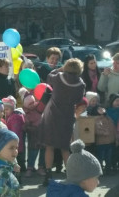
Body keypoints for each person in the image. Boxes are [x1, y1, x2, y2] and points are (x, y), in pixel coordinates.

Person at [39, 58, 85, 186]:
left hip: (52, 114)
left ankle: (48, 175)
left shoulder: (59, 76)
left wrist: (59, 69)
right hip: (67, 115)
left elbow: (49, 77)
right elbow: (79, 99)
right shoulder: (81, 84)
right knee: (65, 147)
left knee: (49, 146)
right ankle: (70, 175)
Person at [19, 87, 46, 177]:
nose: (32, 105)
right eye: (29, 104)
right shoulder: (26, 113)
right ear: (25, 105)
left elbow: (43, 103)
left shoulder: (38, 107)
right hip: (33, 136)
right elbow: (25, 124)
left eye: (32, 102)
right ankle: (30, 168)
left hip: (42, 133)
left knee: (43, 151)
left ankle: (41, 167)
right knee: (33, 152)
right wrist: (28, 127)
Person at [2, 95, 25, 172]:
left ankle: (21, 169)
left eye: (7, 109)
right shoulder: (9, 116)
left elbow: (15, 131)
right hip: (13, 141)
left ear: (13, 108)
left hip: (16, 141)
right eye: (3, 110)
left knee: (18, 156)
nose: (5, 111)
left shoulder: (15, 118)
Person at [94, 105, 116, 175]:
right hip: (101, 142)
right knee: (101, 157)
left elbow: (113, 128)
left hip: (109, 142)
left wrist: (114, 138)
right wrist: (103, 133)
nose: (101, 110)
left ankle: (108, 170)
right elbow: (95, 130)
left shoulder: (108, 118)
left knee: (108, 158)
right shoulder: (96, 119)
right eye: (99, 109)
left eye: (102, 109)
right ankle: (100, 171)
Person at [106, 93, 119, 172]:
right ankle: (111, 165)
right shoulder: (107, 112)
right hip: (110, 135)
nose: (118, 103)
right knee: (112, 151)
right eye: (117, 101)